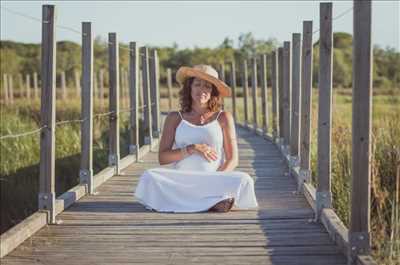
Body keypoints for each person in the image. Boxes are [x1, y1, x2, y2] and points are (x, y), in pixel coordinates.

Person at [134, 64, 258, 213]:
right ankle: (212, 201)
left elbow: (233, 160)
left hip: (213, 179)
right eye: (197, 84)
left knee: (245, 180)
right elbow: (163, 157)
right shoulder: (174, 118)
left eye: (207, 86)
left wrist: (215, 179)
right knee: (149, 176)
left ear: (213, 91)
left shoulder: (224, 117)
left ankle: (195, 200)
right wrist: (191, 149)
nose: (202, 90)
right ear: (189, 87)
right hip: (182, 181)